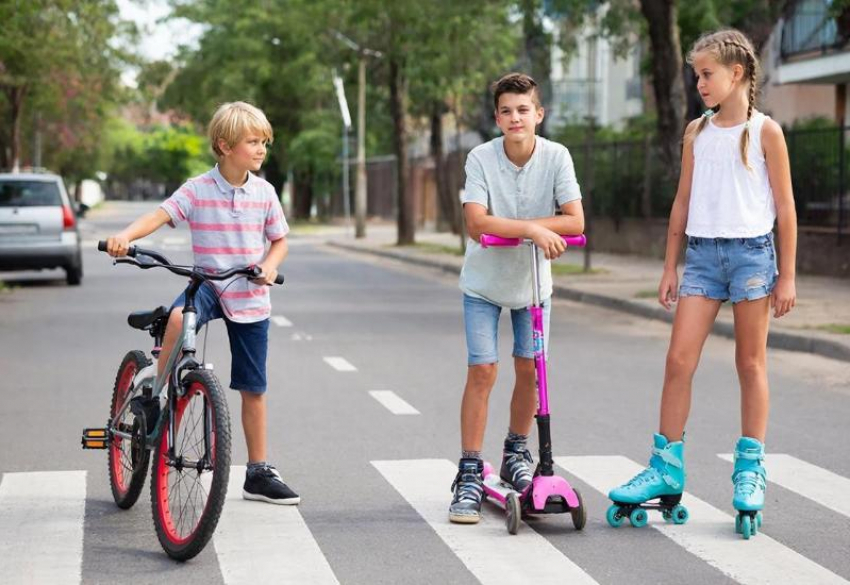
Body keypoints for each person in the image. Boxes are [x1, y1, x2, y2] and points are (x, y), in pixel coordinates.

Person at [607, 29, 797, 530]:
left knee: (749, 362)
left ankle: (750, 470)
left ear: (737, 73)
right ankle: (665, 468)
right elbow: (683, 202)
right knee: (678, 360)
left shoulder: (765, 132)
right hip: (702, 258)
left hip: (754, 256)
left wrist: (788, 276)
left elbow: (785, 208)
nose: (700, 84)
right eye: (696, 76)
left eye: (707, 74)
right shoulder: (697, 132)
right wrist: (670, 265)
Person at [106, 101, 300, 505]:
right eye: (253, 141)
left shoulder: (264, 192)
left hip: (248, 291)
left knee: (254, 387)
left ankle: (259, 472)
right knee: (178, 317)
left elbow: (280, 240)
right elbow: (161, 215)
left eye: (264, 141)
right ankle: (156, 397)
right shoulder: (197, 189)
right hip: (208, 284)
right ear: (224, 145)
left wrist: (268, 264)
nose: (262, 149)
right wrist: (125, 236)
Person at [449, 73, 585, 524]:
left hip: (532, 286)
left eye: (523, 110)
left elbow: (575, 219)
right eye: (506, 111)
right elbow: (476, 223)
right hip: (484, 284)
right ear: (496, 117)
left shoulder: (557, 156)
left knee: (531, 369)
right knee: (484, 370)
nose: (515, 118)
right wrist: (530, 228)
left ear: (538, 114)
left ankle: (514, 452)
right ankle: (469, 469)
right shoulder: (480, 158)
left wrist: (525, 225)